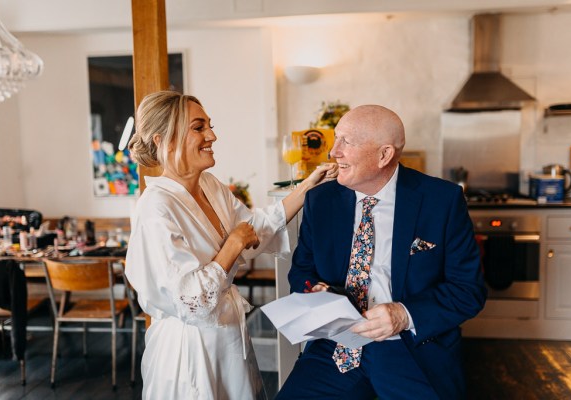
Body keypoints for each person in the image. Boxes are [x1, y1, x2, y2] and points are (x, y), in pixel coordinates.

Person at [124, 90, 338, 400]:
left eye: (209, 125)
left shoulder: (210, 186)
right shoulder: (155, 207)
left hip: (229, 337)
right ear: (163, 140)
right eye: (198, 127)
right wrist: (232, 245)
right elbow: (190, 301)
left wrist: (307, 187)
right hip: (189, 351)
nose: (212, 135)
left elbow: (254, 228)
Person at [277, 105, 487, 400]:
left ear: (384, 155)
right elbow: (302, 271)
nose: (334, 152)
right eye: (336, 140)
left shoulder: (442, 200)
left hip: (411, 347)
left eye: (346, 142)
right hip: (336, 347)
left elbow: (468, 291)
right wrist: (316, 291)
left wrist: (404, 314)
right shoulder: (320, 201)